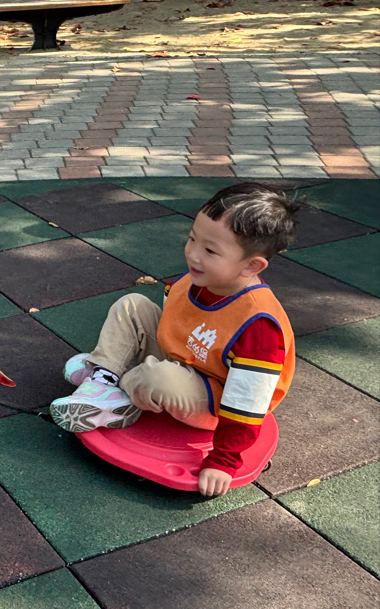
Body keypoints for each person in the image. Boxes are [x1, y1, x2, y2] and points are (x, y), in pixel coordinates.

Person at [50, 183, 301, 498]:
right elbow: (173, 323)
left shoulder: (258, 326)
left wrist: (223, 461)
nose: (193, 254)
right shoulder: (200, 279)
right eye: (192, 238)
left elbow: (247, 404)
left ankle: (118, 391)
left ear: (251, 265)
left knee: (158, 377)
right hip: (184, 360)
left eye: (210, 251)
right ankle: (104, 375)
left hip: (213, 402)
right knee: (133, 305)